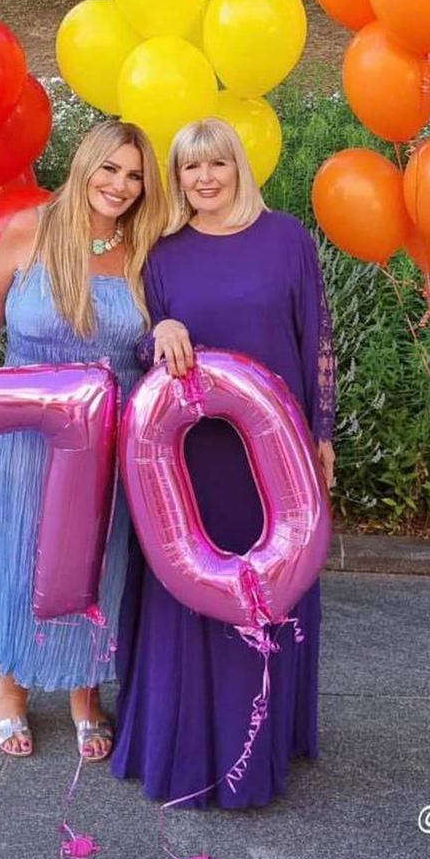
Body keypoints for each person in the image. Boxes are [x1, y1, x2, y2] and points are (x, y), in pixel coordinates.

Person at [110, 116, 335, 808]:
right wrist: (162, 330)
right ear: (177, 178)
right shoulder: (163, 252)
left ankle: (259, 742)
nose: (204, 178)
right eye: (190, 167)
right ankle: (186, 744)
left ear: (239, 167)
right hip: (191, 465)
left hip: (276, 464)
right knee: (194, 590)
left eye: (217, 164)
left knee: (268, 588)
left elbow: (318, 339)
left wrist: (323, 433)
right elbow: (142, 348)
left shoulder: (287, 240)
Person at [0, 119, 166, 761]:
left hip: (108, 437)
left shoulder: (147, 248)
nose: (120, 185)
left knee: (99, 556)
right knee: (21, 551)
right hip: (24, 435)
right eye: (110, 168)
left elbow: (165, 330)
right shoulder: (28, 230)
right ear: (85, 164)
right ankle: (10, 683)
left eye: (135, 175)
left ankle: (85, 689)